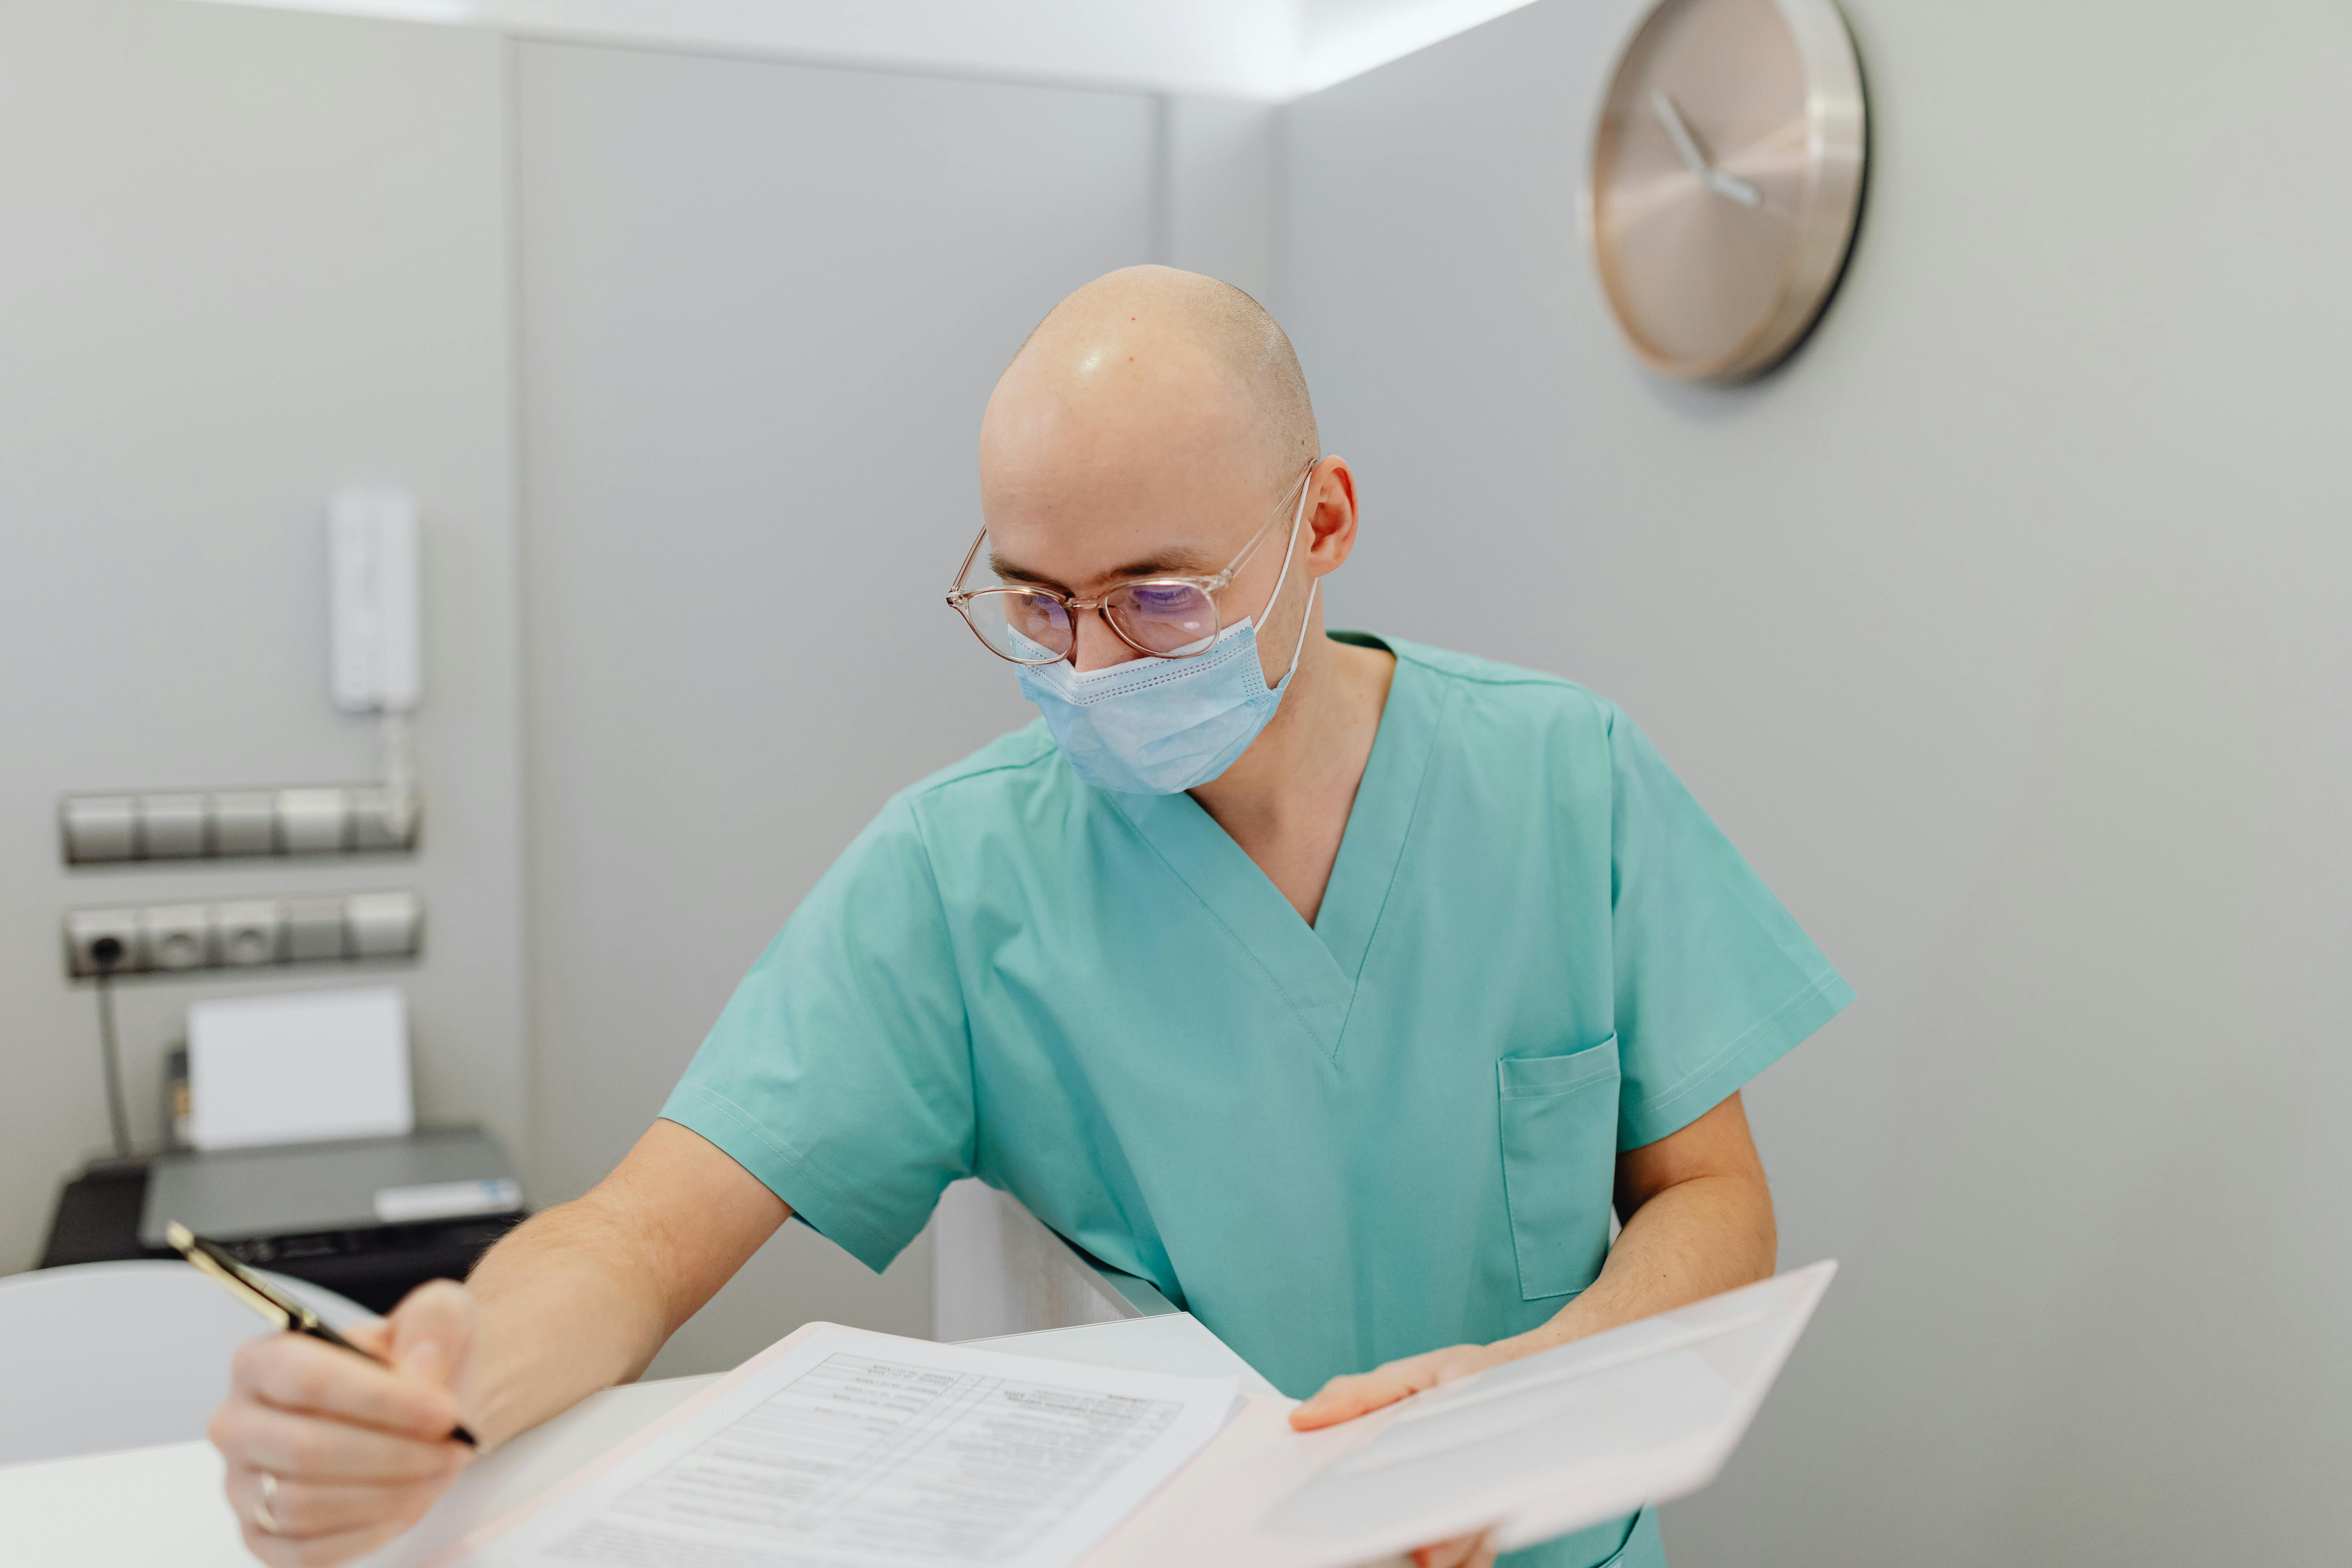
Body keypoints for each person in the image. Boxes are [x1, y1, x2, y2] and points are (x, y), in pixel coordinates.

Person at [206, 266, 1850, 1568]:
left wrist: (1525, 1395)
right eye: (1032, 602)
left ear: (1322, 521)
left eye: (1157, 596)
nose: (1090, 665)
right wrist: (425, 1400)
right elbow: (635, 1236)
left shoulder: (1557, 776)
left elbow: (1709, 1199)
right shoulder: (962, 875)